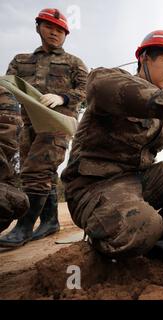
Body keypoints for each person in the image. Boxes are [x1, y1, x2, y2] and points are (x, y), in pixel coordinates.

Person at [61, 30, 163, 260]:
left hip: (141, 180)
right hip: (95, 186)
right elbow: (98, 86)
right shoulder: (113, 82)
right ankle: (112, 234)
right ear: (145, 58)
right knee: (142, 227)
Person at [0, 8, 88, 247]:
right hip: (27, 124)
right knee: (43, 173)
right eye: (49, 26)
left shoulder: (73, 63)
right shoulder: (20, 61)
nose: (54, 32)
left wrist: (63, 98)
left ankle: (24, 227)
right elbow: (9, 89)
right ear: (38, 27)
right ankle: (50, 222)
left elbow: (86, 89)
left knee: (35, 170)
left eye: (60, 30)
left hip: (56, 123)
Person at [0, 88, 30, 233]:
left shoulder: (3, 96)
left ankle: (30, 227)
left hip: (44, 120)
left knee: (12, 201)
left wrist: (64, 98)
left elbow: (6, 142)